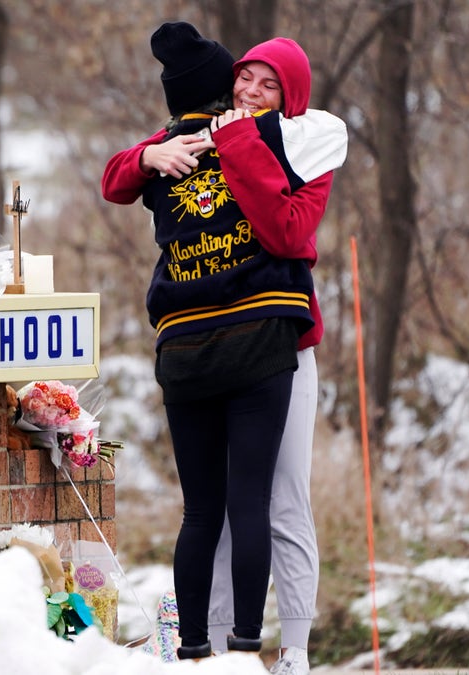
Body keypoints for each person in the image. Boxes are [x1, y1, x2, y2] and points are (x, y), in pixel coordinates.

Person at [102, 24, 341, 673]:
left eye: (270, 86)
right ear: (230, 83)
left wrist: (238, 144)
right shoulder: (200, 130)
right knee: (216, 510)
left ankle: (292, 650)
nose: (255, 91)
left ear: (288, 99)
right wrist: (153, 157)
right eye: (248, 79)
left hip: (284, 345)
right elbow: (117, 173)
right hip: (206, 337)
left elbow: (287, 232)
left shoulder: (300, 145)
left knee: (280, 500)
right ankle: (205, 651)